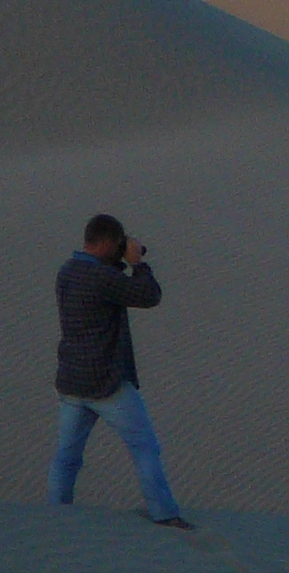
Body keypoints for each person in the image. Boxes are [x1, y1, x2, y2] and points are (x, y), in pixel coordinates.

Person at [48, 213, 193, 529]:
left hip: (72, 382)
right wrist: (137, 263)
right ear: (106, 243)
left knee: (66, 457)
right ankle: (164, 513)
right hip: (106, 384)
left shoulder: (67, 272)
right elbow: (148, 295)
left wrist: (119, 259)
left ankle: (55, 515)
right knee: (145, 447)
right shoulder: (101, 278)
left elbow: (106, 287)